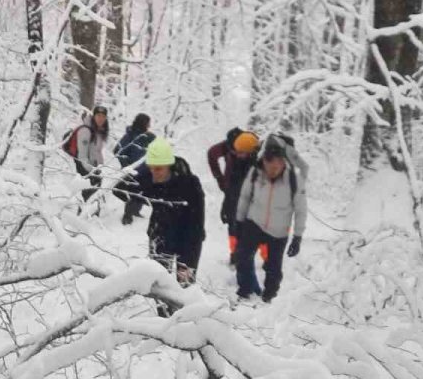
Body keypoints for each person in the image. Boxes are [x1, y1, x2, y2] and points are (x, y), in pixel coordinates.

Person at [126, 137, 205, 314]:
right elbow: (120, 188)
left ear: (169, 165)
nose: (155, 172)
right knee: (160, 287)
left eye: (159, 168)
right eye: (151, 168)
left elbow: (198, 221)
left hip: (188, 241)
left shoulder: (190, 183)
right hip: (160, 238)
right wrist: (142, 170)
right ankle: (163, 323)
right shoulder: (150, 180)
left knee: (184, 289)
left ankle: (183, 322)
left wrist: (191, 254)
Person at [235, 135, 307, 303]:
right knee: (243, 257)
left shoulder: (294, 180)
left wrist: (297, 237)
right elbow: (244, 197)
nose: (275, 167)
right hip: (255, 221)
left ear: (284, 162)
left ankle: (269, 298)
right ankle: (245, 293)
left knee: (274, 268)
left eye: (279, 162)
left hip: (279, 229)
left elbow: (301, 210)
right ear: (264, 161)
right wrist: (239, 222)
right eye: (271, 162)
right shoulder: (255, 173)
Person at [207, 128, 260, 263]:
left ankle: (263, 258)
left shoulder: (256, 150)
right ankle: (235, 256)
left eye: (240, 152)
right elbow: (211, 153)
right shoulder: (228, 146)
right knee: (233, 225)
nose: (237, 154)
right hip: (232, 189)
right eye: (234, 151)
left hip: (254, 195)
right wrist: (219, 178)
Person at [112, 113, 155, 225]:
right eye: (147, 123)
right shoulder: (130, 136)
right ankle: (127, 217)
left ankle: (135, 212)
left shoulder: (149, 137)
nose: (149, 125)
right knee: (132, 191)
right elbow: (118, 151)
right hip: (133, 170)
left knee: (142, 192)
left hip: (147, 170)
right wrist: (127, 165)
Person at [72, 105, 110, 204]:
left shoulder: (99, 131)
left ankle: (93, 215)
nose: (101, 118)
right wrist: (91, 171)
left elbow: (98, 152)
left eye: (103, 116)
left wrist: (101, 167)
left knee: (95, 195)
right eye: (98, 115)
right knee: (88, 196)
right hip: (85, 167)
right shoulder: (85, 131)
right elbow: (82, 156)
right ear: (93, 116)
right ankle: (84, 217)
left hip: (95, 167)